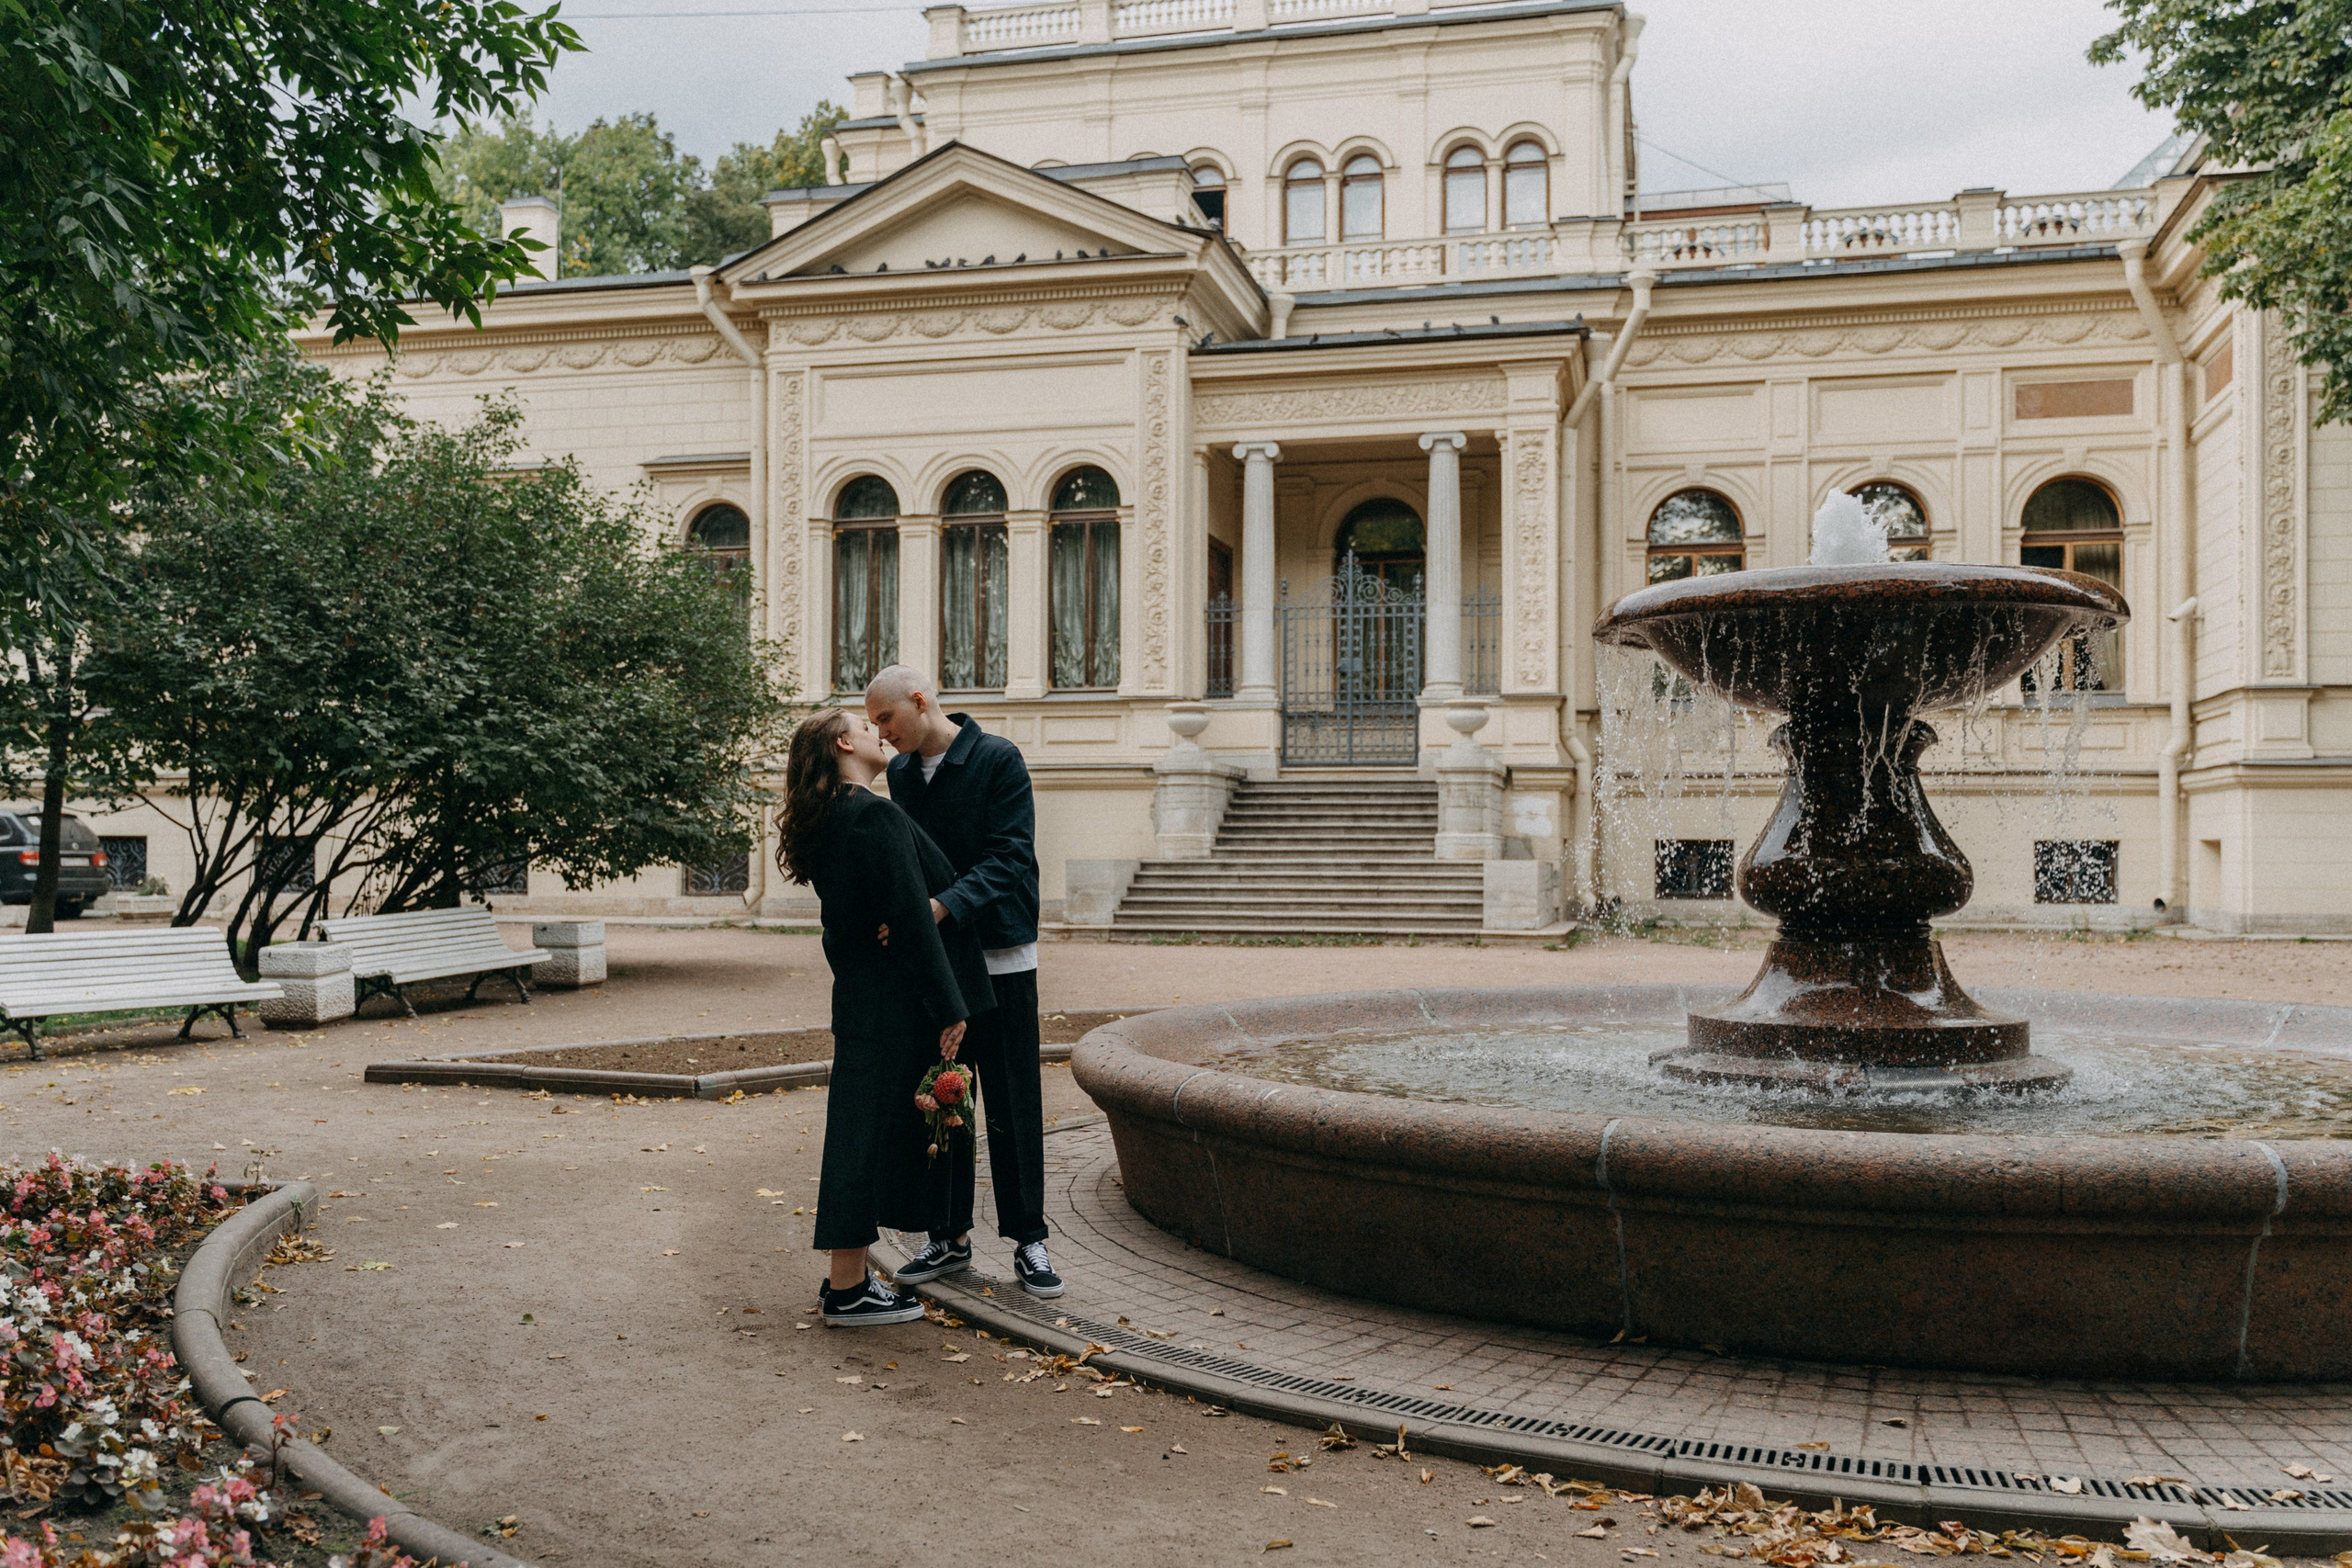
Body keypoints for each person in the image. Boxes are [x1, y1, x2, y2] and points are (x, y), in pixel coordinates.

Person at [775, 706, 993, 1326]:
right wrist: (951, 1007)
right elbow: (911, 918)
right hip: (893, 1004)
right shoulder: (873, 814)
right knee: (861, 1143)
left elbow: (879, 917)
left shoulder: (831, 818)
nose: (877, 732)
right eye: (864, 726)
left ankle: (847, 1279)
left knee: (856, 1137)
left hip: (860, 997)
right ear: (844, 742)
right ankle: (847, 1289)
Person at [864, 665, 1060, 1298]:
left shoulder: (999, 758)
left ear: (920, 702)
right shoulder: (898, 774)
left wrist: (939, 907)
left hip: (1001, 956)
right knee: (941, 1097)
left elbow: (1011, 857)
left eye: (885, 719)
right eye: (872, 725)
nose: (881, 733)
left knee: (1011, 1099)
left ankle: (1030, 1239)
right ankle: (947, 1237)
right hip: (938, 964)